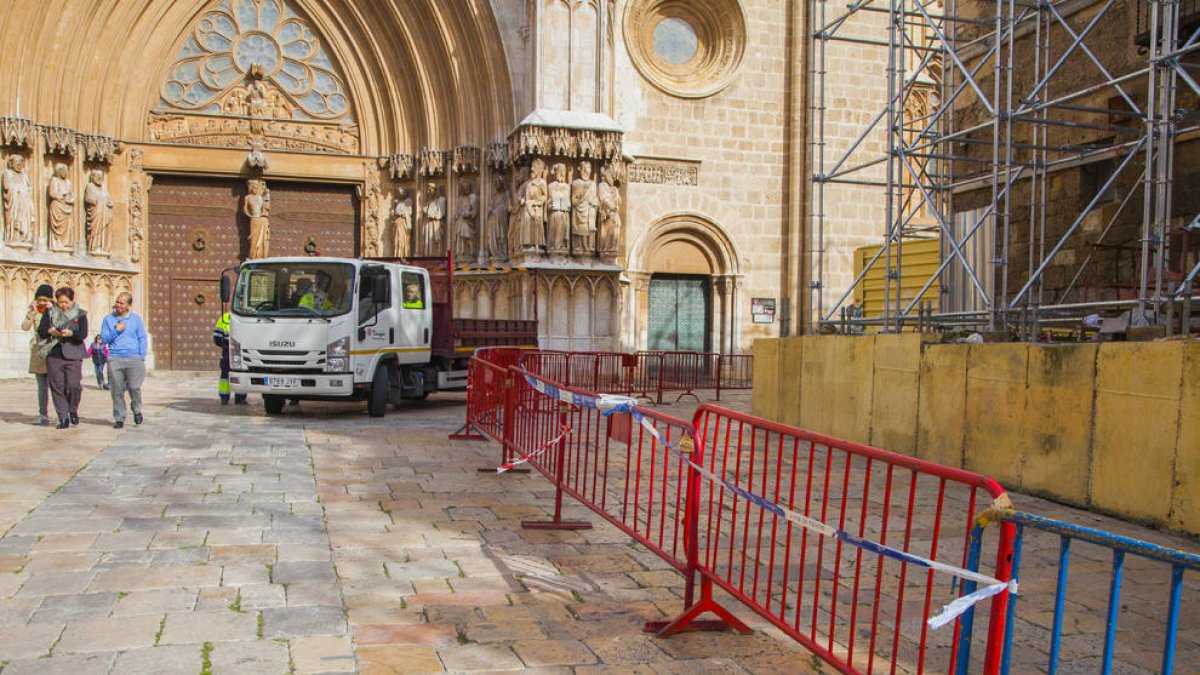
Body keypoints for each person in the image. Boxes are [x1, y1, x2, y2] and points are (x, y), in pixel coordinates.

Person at [38, 287, 88, 429]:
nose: (63, 305)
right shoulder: (50, 313)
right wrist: (50, 331)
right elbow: (41, 330)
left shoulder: (80, 314)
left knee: (74, 386)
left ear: (72, 301)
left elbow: (82, 334)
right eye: (60, 302)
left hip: (73, 353)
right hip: (54, 354)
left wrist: (70, 333)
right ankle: (63, 417)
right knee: (57, 386)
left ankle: (72, 409)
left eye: (66, 302)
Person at [100, 292, 148, 429]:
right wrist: (117, 330)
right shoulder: (108, 320)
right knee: (117, 390)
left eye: (122, 303)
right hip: (115, 358)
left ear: (128, 305)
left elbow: (142, 337)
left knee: (134, 387)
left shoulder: (136, 319)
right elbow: (104, 339)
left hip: (134, 358)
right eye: (117, 302)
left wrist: (141, 356)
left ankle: (137, 410)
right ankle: (119, 417)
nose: (118, 305)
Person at [21, 284, 55, 425]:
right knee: (41, 386)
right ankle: (43, 414)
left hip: (53, 350)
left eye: (43, 299)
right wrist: (31, 313)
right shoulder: (34, 311)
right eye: (39, 299)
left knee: (56, 385)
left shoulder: (54, 310)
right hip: (38, 352)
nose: (41, 302)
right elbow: (24, 327)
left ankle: (63, 413)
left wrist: (51, 310)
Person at [212, 311, 247, 405]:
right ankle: (225, 397)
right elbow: (216, 337)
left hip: (240, 350)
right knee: (225, 374)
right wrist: (224, 346)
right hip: (228, 351)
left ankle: (239, 398)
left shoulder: (245, 317)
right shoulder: (224, 318)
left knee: (240, 373)